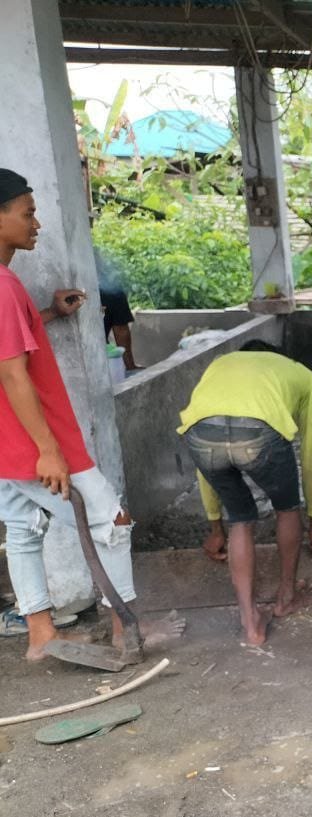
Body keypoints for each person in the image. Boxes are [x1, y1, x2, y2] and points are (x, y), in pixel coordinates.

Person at [0, 169, 182, 660]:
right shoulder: (0, 286)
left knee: (22, 528)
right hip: (31, 441)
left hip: (3, 443)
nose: (36, 223)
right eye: (28, 214)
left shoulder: (6, 284)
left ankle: (40, 634)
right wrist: (48, 451)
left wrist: (50, 314)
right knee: (112, 520)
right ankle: (127, 632)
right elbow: (12, 374)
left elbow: (7, 338)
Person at [177, 340, 312, 646]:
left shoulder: (219, 365)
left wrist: (214, 527)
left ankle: (251, 624)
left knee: (240, 518)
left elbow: (203, 422)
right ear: (277, 359)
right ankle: (285, 598)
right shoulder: (302, 375)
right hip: (259, 432)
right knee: (287, 508)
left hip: (200, 435)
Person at [95, 248, 141, 370]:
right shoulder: (114, 293)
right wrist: (130, 366)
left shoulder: (69, 291)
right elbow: (121, 332)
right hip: (99, 360)